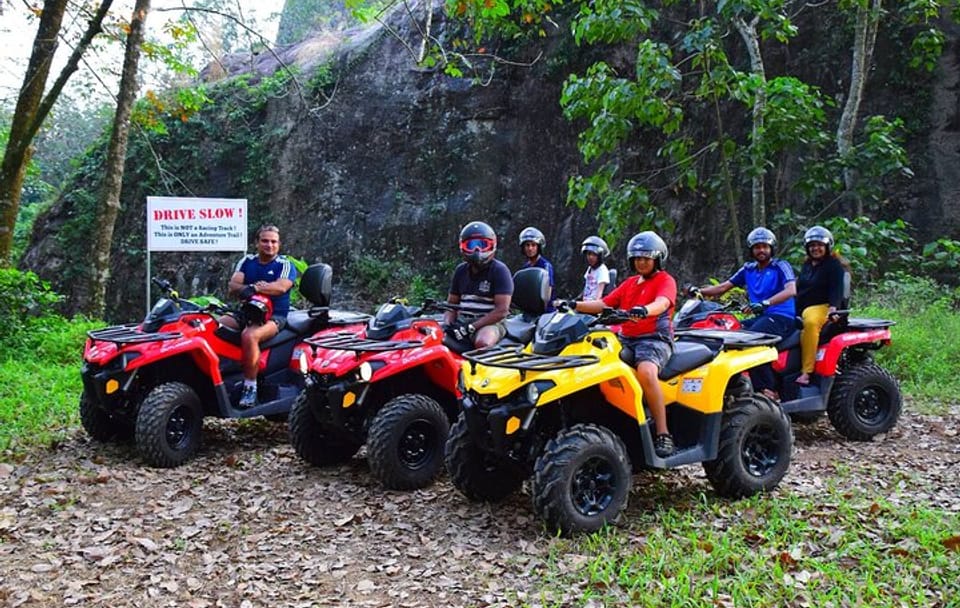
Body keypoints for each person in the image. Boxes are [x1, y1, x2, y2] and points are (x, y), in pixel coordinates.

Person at [574, 231, 677, 457]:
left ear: (658, 259)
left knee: (647, 372)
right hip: (626, 338)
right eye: (637, 258)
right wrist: (574, 305)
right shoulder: (630, 283)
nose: (641, 262)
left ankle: (663, 433)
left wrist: (645, 310)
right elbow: (604, 303)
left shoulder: (665, 280)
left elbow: (662, 303)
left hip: (654, 339)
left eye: (646, 258)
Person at [694, 226, 796, 400]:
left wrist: (765, 303)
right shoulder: (748, 269)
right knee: (731, 333)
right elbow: (723, 287)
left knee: (752, 341)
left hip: (781, 317)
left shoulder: (780, 266)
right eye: (757, 247)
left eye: (765, 246)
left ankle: (768, 390)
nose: (761, 250)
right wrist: (698, 291)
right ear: (751, 250)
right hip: (762, 316)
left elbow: (791, 290)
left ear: (771, 248)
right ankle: (734, 385)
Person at [221, 224, 298, 408]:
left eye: (273, 241)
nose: (269, 245)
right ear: (257, 243)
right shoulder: (247, 262)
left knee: (250, 336)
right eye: (265, 241)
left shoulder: (284, 265)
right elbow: (233, 286)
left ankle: (250, 386)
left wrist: (253, 287)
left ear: (279, 244)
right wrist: (250, 288)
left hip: (274, 316)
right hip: (246, 312)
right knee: (213, 326)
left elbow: (281, 287)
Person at [444, 220, 514, 348]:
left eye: (483, 245)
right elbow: (452, 305)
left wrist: (471, 327)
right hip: (463, 321)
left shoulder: (500, 270)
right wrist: (448, 325)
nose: (477, 250)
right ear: (462, 247)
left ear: (492, 246)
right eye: (471, 245)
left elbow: (502, 311)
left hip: (491, 323)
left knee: (483, 342)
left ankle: (479, 367)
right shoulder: (460, 270)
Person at [795, 226, 848, 385]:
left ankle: (806, 372)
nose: (815, 248)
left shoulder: (834, 265)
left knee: (810, 324)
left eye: (819, 245)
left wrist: (834, 307)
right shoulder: (807, 265)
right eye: (812, 245)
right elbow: (799, 288)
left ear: (827, 246)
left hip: (823, 306)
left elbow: (836, 288)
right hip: (803, 307)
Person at [519, 226, 555, 311]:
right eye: (527, 245)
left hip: (546, 312)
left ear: (539, 247)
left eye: (533, 245)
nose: (530, 248)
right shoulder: (526, 267)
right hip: (529, 310)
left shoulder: (545, 266)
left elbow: (547, 294)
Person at [580, 235, 611, 301]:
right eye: (589, 254)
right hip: (585, 303)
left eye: (594, 254)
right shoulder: (590, 269)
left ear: (600, 256)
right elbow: (586, 288)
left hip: (593, 305)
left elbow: (600, 292)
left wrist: (595, 305)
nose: (590, 257)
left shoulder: (602, 270)